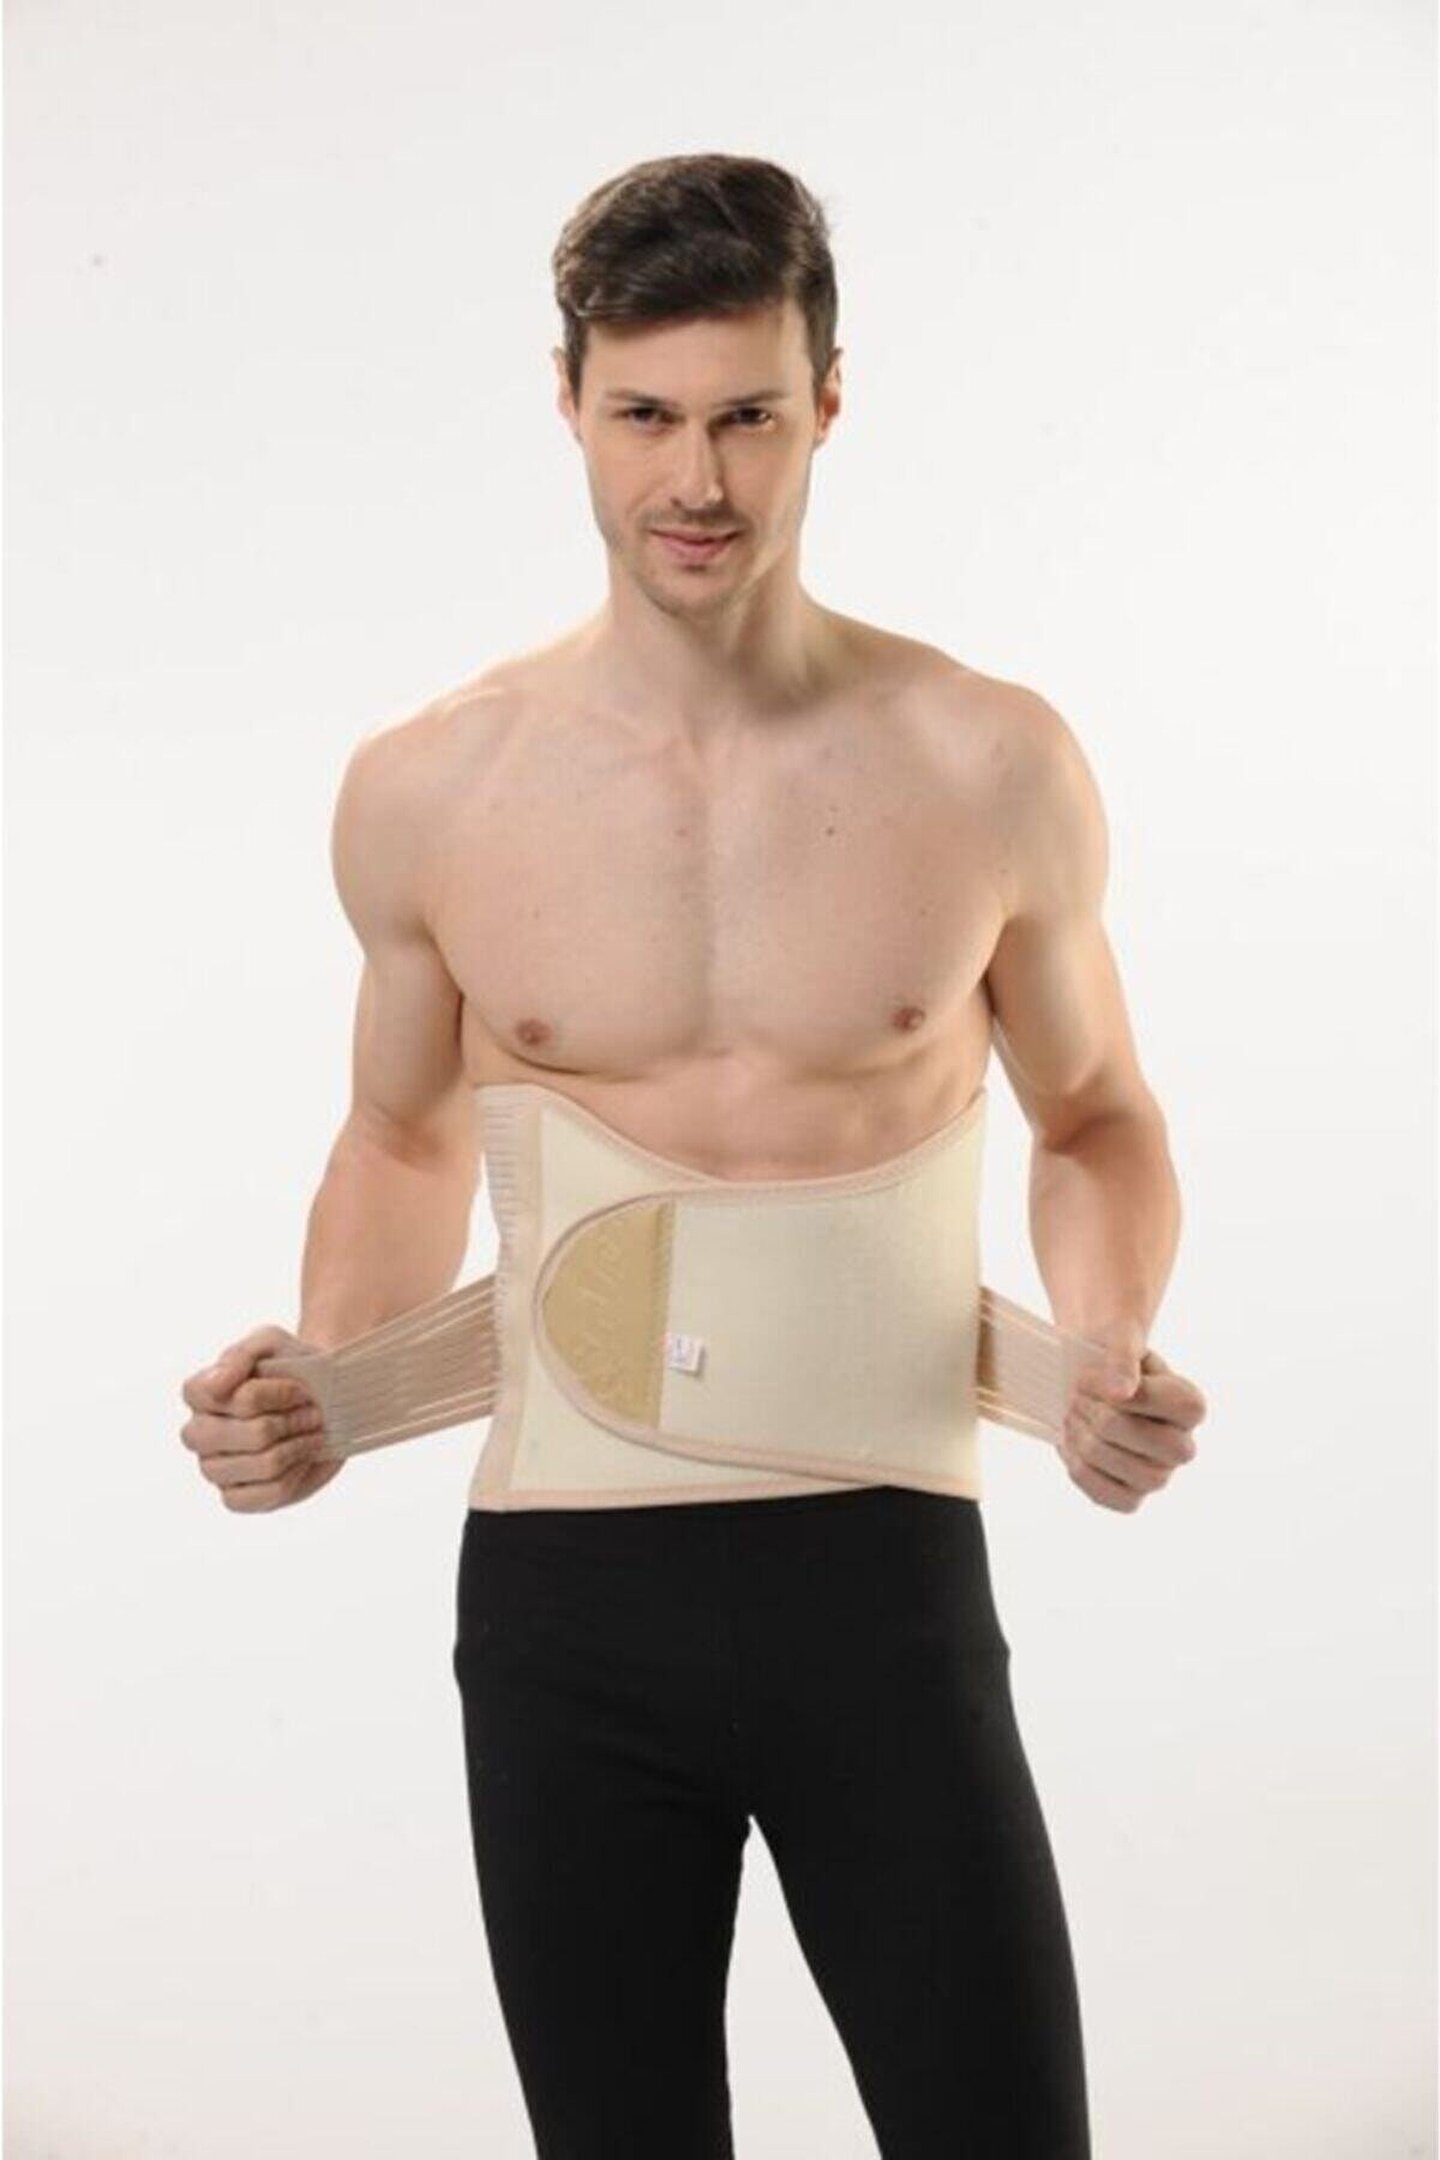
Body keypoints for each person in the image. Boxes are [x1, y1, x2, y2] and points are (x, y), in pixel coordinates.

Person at [179, 152, 1208, 2158]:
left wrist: (1101, 1341)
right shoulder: (431, 789)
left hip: (884, 1587)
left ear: (829, 401)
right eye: (646, 415)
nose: (700, 481)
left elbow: (1096, 1117)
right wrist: (330, 1381)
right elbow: (399, 1134)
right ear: (567, 402)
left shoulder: (986, 761)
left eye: (748, 416)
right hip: (564, 1614)